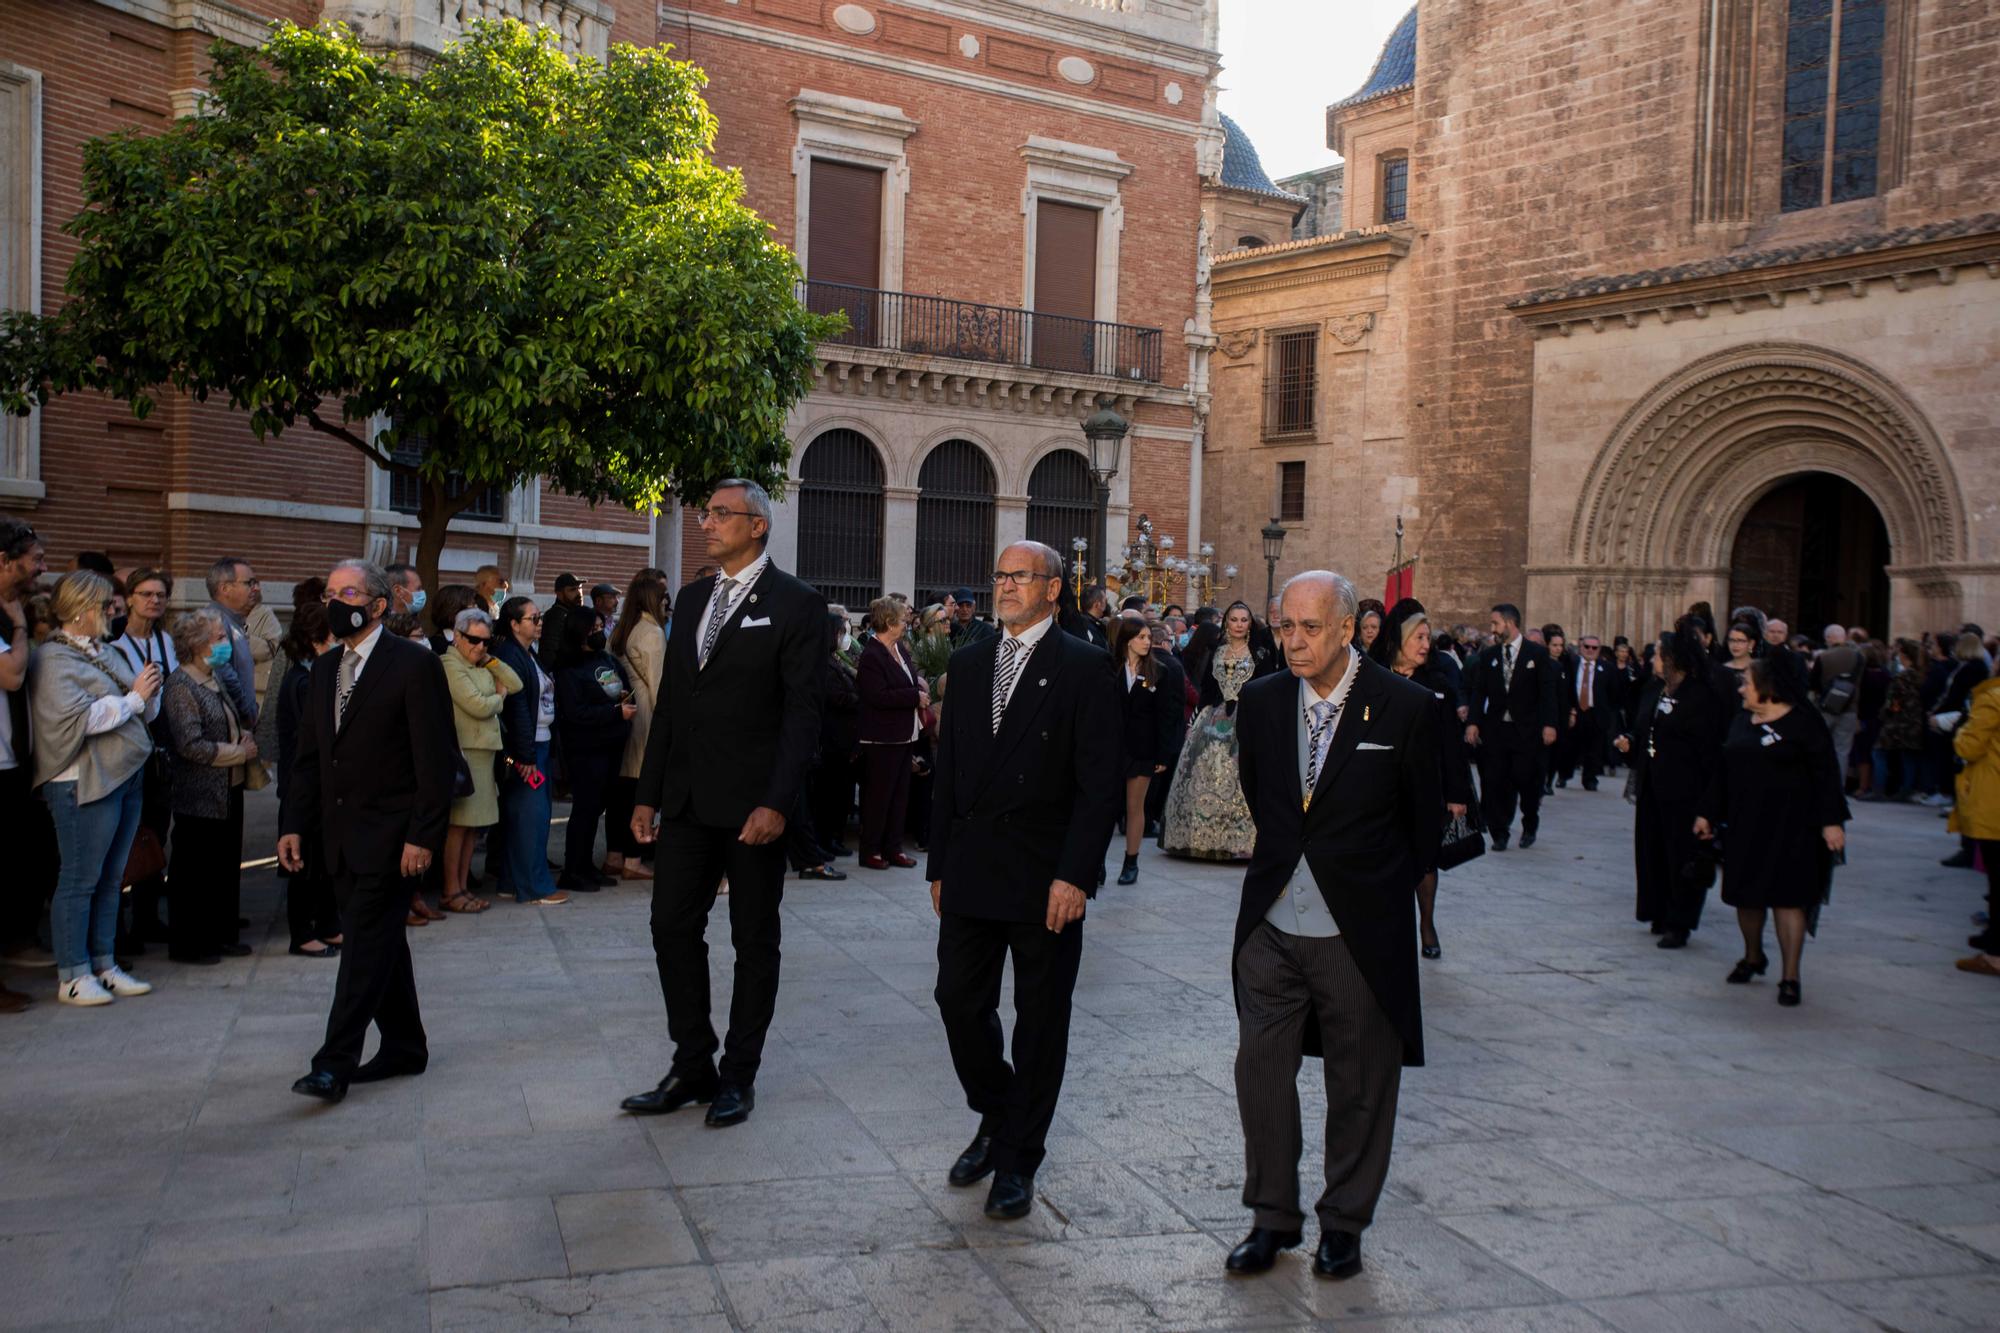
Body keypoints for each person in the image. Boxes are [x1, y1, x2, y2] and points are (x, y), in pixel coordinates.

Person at [1225, 571, 1439, 1281]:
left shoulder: (1405, 706)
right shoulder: (1259, 701)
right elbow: (1266, 795)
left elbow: (1422, 824)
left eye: (1309, 628)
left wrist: (1368, 884)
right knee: (1260, 1070)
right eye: (1284, 626)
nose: (1291, 642)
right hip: (1271, 924)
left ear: (1349, 628)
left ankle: (1343, 1222)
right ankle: (1271, 1216)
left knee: (1360, 1080)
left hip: (1359, 930)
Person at [622, 480, 824, 1129]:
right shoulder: (692, 596)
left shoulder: (796, 604)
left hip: (752, 808)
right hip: (684, 800)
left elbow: (802, 715)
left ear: (758, 525)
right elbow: (676, 707)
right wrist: (648, 794)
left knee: (753, 939)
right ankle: (692, 1062)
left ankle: (739, 1074)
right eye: (704, 513)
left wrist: (777, 802)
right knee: (670, 926)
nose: (705, 522)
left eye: (719, 514)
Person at [927, 540, 1119, 1221]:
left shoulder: (1087, 666)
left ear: (1053, 589)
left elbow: (1100, 787)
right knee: (957, 1000)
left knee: (1040, 1022)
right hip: (974, 867)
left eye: (1020, 576)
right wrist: (939, 862)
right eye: (1000, 573)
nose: (1005, 585)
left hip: (1046, 879)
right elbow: (950, 767)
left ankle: (1017, 1158)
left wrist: (1077, 876)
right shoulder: (971, 658)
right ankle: (999, 1108)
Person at [281, 559, 457, 1102]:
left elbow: (434, 759)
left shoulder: (412, 665)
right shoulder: (326, 669)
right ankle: (406, 1045)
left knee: (362, 945)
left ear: (377, 605)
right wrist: (294, 824)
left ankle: (333, 1063)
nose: (335, 601)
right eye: (330, 591)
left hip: (393, 837)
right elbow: (310, 759)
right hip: (338, 837)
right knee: (380, 944)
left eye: (348, 592)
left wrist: (423, 837)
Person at [29, 571, 161, 1006]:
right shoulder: (52, 659)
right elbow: (77, 719)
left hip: (123, 775)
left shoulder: (103, 651)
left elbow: (135, 702)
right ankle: (72, 973)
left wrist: (145, 694)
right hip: (79, 782)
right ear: (82, 607)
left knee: (110, 880)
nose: (111, 612)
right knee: (79, 879)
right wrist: (134, 699)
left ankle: (104, 963)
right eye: (105, 605)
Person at [1697, 651, 1850, 1007]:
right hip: (1746, 823)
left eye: (1746, 684)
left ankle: (1790, 976)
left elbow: (1826, 774)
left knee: (1789, 898)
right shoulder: (1741, 721)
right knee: (1746, 896)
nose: (1740, 690)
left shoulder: (1803, 722)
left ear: (1767, 686)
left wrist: (1831, 822)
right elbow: (1723, 769)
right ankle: (1753, 956)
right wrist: (1706, 812)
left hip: (1794, 827)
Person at [1371, 599, 1474, 960]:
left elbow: (1451, 744)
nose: (1425, 644)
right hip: (1381, 787)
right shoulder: (1374, 677)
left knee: (1425, 861)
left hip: (1427, 787)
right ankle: (1388, 926)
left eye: (1428, 637)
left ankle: (1426, 922)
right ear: (1400, 638)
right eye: (1418, 637)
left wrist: (1458, 794)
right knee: (1385, 859)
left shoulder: (1437, 682)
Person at [160, 608, 258, 964]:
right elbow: (190, 745)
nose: (224, 645)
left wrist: (240, 735)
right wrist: (238, 751)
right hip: (199, 794)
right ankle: (190, 943)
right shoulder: (181, 686)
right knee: (194, 873)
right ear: (198, 644)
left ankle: (220, 933)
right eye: (218, 639)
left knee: (222, 868)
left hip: (227, 788)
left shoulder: (213, 677)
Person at [1616, 631, 1724, 949]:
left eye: (1659, 655)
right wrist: (1630, 743)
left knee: (1681, 856)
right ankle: (1658, 910)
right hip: (1653, 787)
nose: (1653, 660)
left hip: (1685, 792)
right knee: (1653, 853)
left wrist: (1709, 805)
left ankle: (1681, 922)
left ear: (1676, 660)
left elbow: (1709, 753)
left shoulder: (1701, 697)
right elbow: (1644, 729)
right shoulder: (1655, 690)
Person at [1163, 602, 1276, 861]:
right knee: (1205, 772)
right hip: (1213, 719)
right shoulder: (1216, 649)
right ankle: (1202, 836)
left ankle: (1242, 840)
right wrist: (1196, 720)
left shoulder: (1259, 653)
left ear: (1250, 624)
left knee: (1242, 776)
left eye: (1243, 620)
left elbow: (1267, 687)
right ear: (1226, 622)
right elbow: (1205, 687)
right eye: (1234, 619)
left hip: (1247, 719)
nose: (1238, 624)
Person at [109, 568, 178, 949]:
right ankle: (117, 930)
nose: (154, 600)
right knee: (123, 839)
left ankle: (148, 919)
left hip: (161, 751)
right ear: (130, 597)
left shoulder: (166, 640)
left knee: (155, 833)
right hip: (126, 747)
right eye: (146, 593)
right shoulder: (114, 644)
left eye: (160, 594)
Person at [440, 606, 519, 913]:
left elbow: (515, 683)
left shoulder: (481, 663)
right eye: (473, 639)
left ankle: (462, 886)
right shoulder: (449, 664)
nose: (479, 646)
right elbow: (477, 706)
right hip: (465, 754)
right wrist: (498, 699)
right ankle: (451, 889)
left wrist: (492, 662)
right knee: (458, 827)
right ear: (457, 636)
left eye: (486, 641)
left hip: (485, 755)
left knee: (473, 828)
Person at [491, 596, 568, 906]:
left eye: (540, 619)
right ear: (513, 624)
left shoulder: (527, 652)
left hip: (540, 742)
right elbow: (517, 710)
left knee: (525, 817)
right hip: (528, 747)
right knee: (530, 820)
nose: (539, 625)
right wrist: (524, 756)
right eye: (533, 619)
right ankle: (535, 886)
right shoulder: (510, 655)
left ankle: (510, 881)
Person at [275, 595, 341, 958]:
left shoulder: (317, 675)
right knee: (303, 862)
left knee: (325, 861)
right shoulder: (302, 680)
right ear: (318, 639)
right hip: (304, 788)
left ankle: (329, 925)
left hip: (325, 788)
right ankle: (302, 933)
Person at [0, 519, 49, 1000]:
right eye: (34, 558)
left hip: (13, 762)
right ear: (4, 560)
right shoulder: (7, 617)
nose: (42, 566)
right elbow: (11, 675)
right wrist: (17, 621)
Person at [1465, 603, 1560, 850]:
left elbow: (1548, 692)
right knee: (1497, 781)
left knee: (1527, 780)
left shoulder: (1536, 655)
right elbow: (1479, 692)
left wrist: (1550, 724)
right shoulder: (1489, 656)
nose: (1492, 628)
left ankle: (1530, 824)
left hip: (1527, 731)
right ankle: (1500, 831)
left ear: (1509, 623)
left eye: (1495, 623)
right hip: (1497, 731)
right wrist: (1473, 722)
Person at [553, 609, 634, 893]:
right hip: (586, 749)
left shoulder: (606, 659)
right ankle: (573, 869)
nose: (600, 631)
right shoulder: (569, 669)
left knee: (598, 808)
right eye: (594, 627)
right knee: (584, 810)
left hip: (613, 746)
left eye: (601, 626)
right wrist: (615, 713)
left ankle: (587, 867)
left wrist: (624, 699)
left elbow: (623, 686)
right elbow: (576, 713)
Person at [856, 596, 927, 871]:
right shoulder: (872, 655)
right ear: (889, 622)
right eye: (902, 618)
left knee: (899, 796)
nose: (906, 622)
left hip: (904, 735)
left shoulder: (899, 650)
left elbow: (908, 678)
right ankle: (871, 849)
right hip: (881, 737)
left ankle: (893, 847)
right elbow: (876, 695)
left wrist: (918, 684)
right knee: (879, 797)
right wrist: (914, 696)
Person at [607, 574, 669, 881]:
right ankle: (633, 859)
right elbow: (658, 683)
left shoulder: (621, 628)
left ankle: (614, 855)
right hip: (645, 714)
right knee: (641, 791)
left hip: (624, 709)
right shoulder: (652, 631)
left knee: (621, 792)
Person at [1110, 615, 1175, 885]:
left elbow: (1166, 716)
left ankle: (1131, 861)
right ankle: (1096, 864)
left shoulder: (1159, 671)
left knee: (1135, 807)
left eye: (1149, 637)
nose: (1147, 642)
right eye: (1142, 637)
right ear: (1127, 640)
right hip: (1110, 748)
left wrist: (1162, 754)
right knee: (1105, 806)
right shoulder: (1108, 668)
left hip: (1143, 749)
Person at [1951, 665, 2000, 971]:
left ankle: (1995, 954)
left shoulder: (1992, 698)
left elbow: (1968, 746)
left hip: (1993, 796)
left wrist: (1959, 731)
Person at [813, 611, 862, 858]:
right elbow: (836, 697)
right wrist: (859, 698)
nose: (845, 637)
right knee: (828, 796)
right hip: (831, 740)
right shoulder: (821, 662)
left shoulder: (837, 660)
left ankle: (834, 837)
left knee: (840, 794)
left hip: (844, 740)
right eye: (842, 632)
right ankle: (824, 840)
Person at [204, 555, 262, 727]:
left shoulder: (233, 621)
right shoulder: (215, 622)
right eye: (248, 583)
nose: (255, 589)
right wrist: (246, 712)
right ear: (225, 589)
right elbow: (223, 675)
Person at [1808, 623, 1863, 785]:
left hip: (1826, 707)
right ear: (1844, 637)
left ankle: (1819, 784)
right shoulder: (1858, 657)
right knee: (1842, 751)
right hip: (1850, 709)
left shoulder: (1823, 657)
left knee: (1820, 747)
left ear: (1828, 638)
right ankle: (1838, 787)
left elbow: (1813, 684)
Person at [1875, 638, 1926, 801]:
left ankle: (1879, 789)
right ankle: (1906, 789)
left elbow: (1894, 701)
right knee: (1907, 757)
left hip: (1898, 723)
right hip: (1914, 722)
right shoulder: (1920, 675)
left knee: (1879, 753)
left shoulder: (1902, 677)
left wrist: (1884, 713)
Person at [1569, 634, 1612, 792]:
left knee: (1594, 748)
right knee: (1570, 745)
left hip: (1595, 712)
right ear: (1581, 648)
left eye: (1594, 648)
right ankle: (1564, 774)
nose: (1590, 650)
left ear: (1599, 650)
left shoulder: (1607, 668)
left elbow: (1614, 692)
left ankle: (1590, 779)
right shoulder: (1571, 665)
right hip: (1575, 711)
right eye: (1587, 647)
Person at [541, 572, 585, 672]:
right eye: (573, 589)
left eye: (580, 588)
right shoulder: (556, 616)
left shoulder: (574, 613)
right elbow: (550, 653)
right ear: (559, 593)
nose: (579, 593)